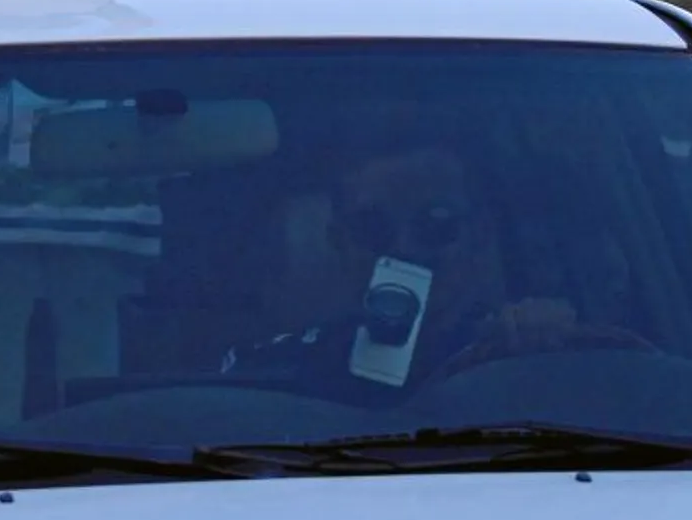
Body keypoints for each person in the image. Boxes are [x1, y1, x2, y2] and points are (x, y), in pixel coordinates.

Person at [221, 139, 651, 404]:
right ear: (338, 241)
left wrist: (557, 357)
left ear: (479, 234)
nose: (404, 247)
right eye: (373, 228)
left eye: (437, 223)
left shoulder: (530, 354)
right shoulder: (273, 372)